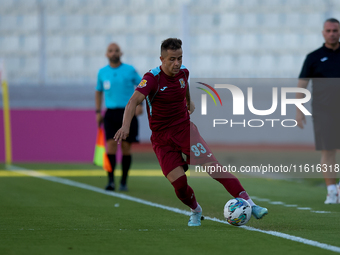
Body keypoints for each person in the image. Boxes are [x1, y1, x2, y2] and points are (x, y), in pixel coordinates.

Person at [114, 38, 268, 226]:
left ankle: (251, 204)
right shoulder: (152, 78)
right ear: (161, 58)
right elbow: (133, 101)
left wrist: (188, 101)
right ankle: (196, 210)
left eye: (179, 58)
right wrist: (125, 126)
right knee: (179, 186)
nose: (177, 63)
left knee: (214, 167)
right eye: (172, 59)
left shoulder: (184, 72)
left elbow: (184, 85)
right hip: (162, 139)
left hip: (184, 130)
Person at [296, 18, 340, 204]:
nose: (332, 33)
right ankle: (331, 190)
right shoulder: (313, 57)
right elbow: (302, 85)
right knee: (328, 151)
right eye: (328, 30)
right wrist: (299, 110)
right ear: (323, 32)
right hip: (323, 112)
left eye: (335, 30)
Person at [95, 43, 143, 191]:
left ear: (121, 53)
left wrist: (140, 105)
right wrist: (98, 111)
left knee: (126, 147)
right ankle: (110, 181)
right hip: (110, 113)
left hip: (128, 112)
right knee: (110, 145)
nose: (114, 53)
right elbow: (98, 91)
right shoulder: (102, 72)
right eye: (110, 51)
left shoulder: (129, 70)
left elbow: (143, 86)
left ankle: (123, 181)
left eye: (116, 50)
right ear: (107, 54)